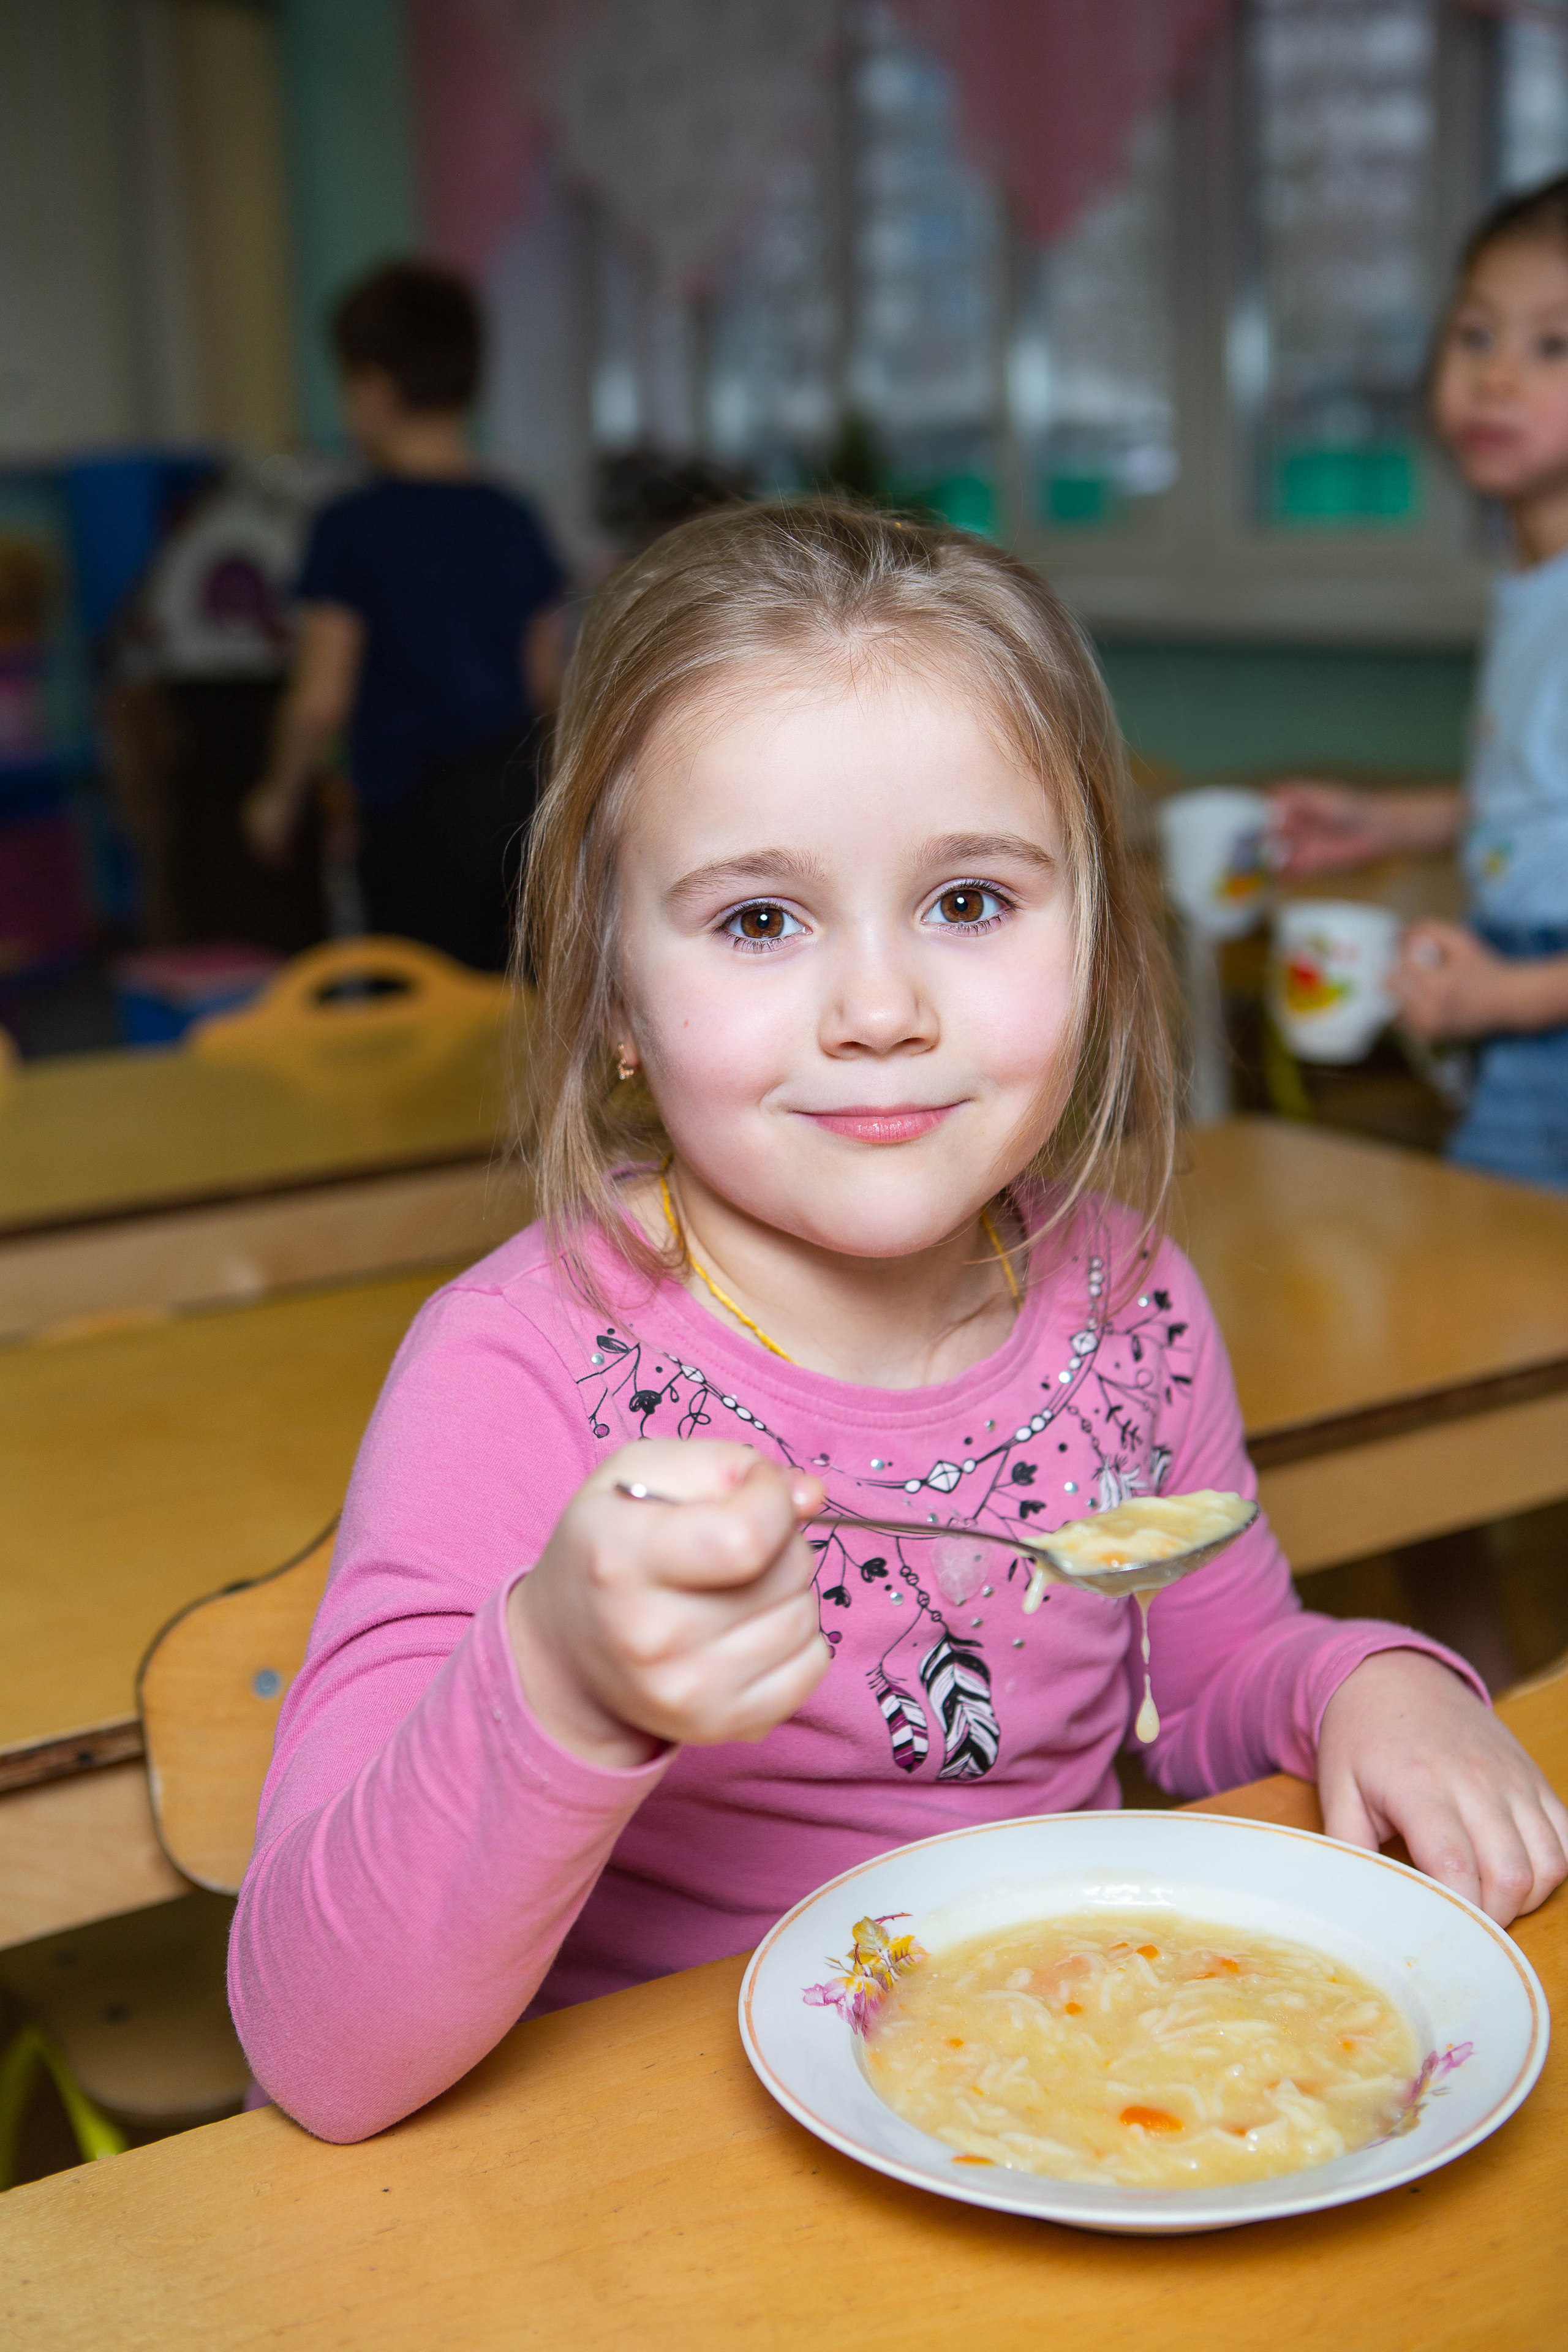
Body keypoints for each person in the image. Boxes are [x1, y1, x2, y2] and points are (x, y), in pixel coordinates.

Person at [230, 504, 1566, 2144]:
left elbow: (1214, 1675)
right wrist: (566, 1682)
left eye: (973, 902)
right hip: (643, 2181)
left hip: (1051, 2122)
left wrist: (1369, 1683)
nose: (880, 1013)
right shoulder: (519, 1370)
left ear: (1102, 938)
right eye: (758, 921)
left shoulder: (1127, 1307)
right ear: (612, 1003)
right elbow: (315, 2050)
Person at [1273, 175, 1568, 1188]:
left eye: (1552, 347)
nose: (1494, 378)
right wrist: (1386, 822)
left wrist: (1516, 998)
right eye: (1475, 336)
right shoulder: (1533, 583)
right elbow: (1538, 802)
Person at [244, 260, 567, 971]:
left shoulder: (350, 526)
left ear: (373, 390)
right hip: (519, 806)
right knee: (515, 1009)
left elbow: (321, 699)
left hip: (412, 819)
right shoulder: (513, 516)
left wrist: (278, 796)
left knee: (420, 1013)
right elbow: (547, 687)